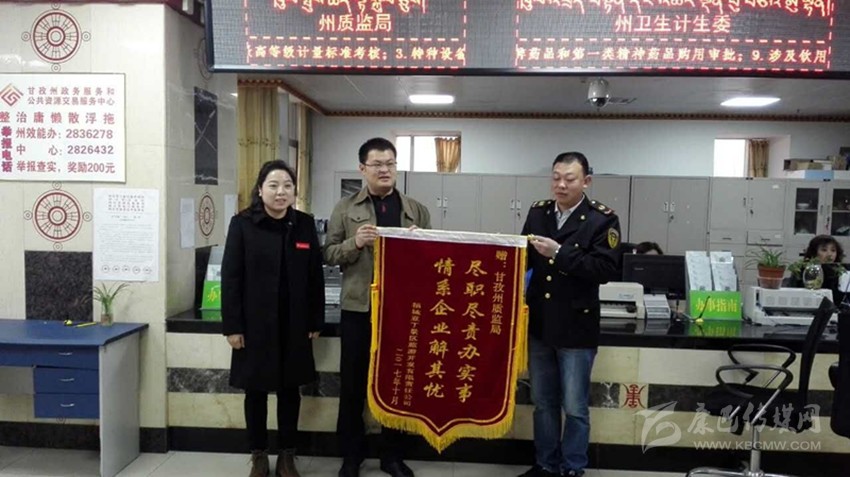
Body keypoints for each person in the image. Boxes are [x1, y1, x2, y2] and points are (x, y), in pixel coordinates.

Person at [324, 137, 431, 477]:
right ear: (362, 168)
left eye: (390, 164)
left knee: (396, 383)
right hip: (359, 310)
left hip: (400, 311)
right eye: (377, 165)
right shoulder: (345, 208)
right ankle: (351, 456)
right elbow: (329, 254)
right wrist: (355, 243)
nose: (385, 170)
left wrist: (420, 245)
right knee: (353, 385)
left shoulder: (415, 210)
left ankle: (392, 456)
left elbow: (434, 262)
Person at [519, 152, 622, 477]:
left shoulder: (602, 220)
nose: (560, 185)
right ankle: (545, 464)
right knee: (543, 403)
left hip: (576, 327)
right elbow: (523, 258)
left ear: (586, 181)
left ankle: (573, 468)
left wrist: (560, 253)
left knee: (575, 407)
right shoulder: (538, 213)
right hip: (540, 325)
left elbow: (605, 269)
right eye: (556, 178)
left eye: (569, 179)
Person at [222, 160, 325, 477]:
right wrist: (233, 327)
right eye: (273, 185)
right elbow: (231, 278)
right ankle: (258, 455)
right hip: (254, 326)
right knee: (254, 392)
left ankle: (287, 456)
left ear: (294, 191)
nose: (281, 192)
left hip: (294, 325)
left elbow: (314, 276)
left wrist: (315, 320)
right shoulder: (242, 224)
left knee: (289, 391)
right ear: (260, 189)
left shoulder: (304, 224)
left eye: (287, 186)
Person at [786, 235, 848, 303]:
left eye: (833, 250)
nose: (829, 254)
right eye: (824, 250)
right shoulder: (803, 269)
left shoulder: (842, 271)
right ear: (814, 253)